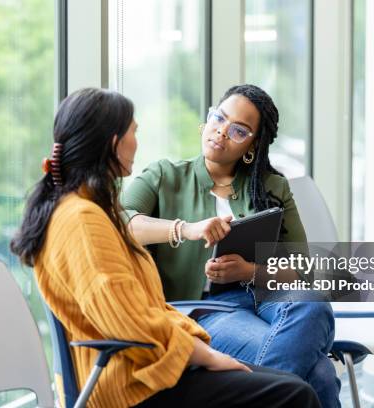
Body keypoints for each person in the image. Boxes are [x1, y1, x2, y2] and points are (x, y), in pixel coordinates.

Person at [10, 88, 320, 408]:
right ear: (114, 143)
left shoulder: (87, 211)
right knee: (298, 391)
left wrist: (202, 345)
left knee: (307, 365)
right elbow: (126, 320)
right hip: (135, 380)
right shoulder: (84, 219)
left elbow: (137, 310)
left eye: (239, 130)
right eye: (134, 131)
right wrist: (205, 354)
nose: (137, 141)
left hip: (150, 362)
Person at [122, 84, 341, 407]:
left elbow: (300, 271)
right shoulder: (164, 176)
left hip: (269, 298)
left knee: (313, 303)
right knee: (320, 371)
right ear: (207, 119)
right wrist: (187, 229)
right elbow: (121, 224)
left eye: (239, 130)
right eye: (219, 118)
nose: (222, 132)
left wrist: (249, 271)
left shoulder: (272, 186)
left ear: (253, 145)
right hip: (205, 310)